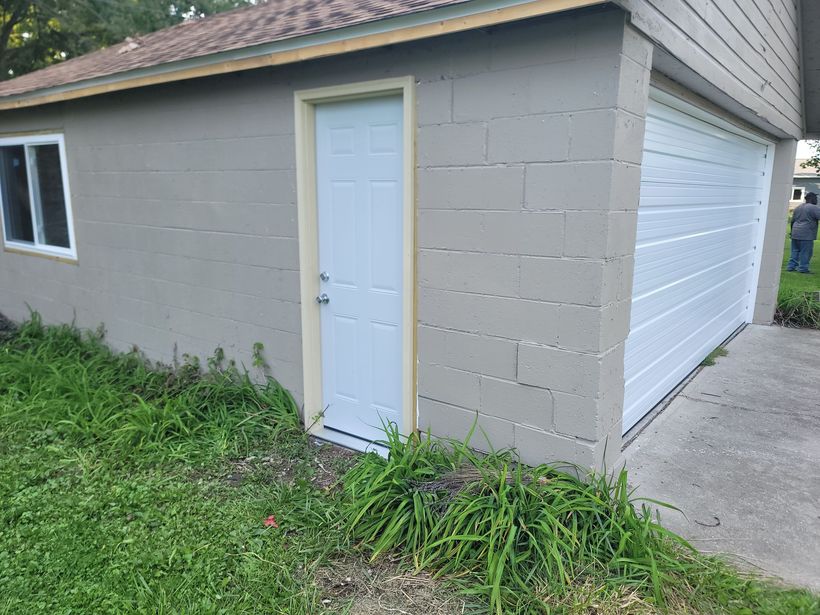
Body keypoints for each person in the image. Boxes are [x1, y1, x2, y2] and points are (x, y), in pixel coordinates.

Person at [787, 191, 820, 274]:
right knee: (806, 252)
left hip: (795, 231)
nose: (817, 200)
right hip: (806, 233)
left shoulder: (798, 207)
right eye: (815, 198)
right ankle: (803, 268)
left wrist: (791, 232)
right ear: (811, 199)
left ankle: (791, 267)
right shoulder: (813, 208)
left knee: (795, 251)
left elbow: (792, 221)